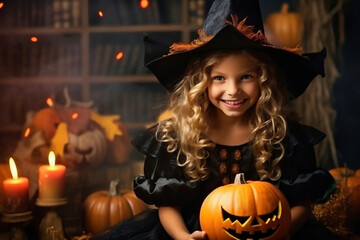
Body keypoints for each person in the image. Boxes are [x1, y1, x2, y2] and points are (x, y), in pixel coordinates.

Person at [93, 0, 338, 239]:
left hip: (270, 231)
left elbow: (301, 205)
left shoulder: (283, 137)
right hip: (194, 231)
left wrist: (278, 234)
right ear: (201, 83)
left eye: (246, 77)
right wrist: (182, 236)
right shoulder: (178, 137)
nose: (233, 90)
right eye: (219, 78)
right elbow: (168, 205)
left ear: (264, 81)